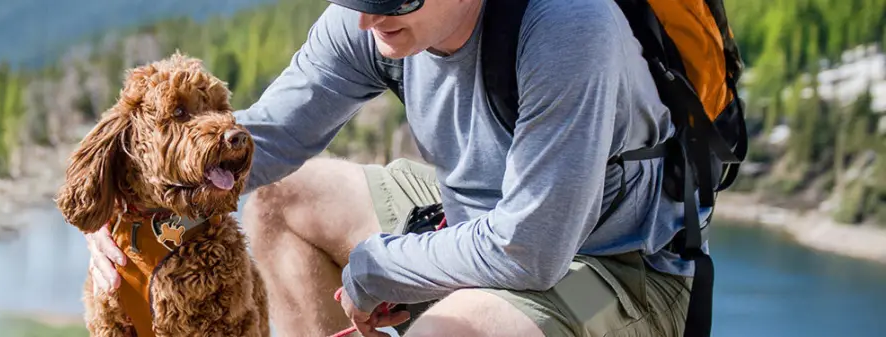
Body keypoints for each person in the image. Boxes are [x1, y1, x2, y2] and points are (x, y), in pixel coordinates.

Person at [83, 0, 701, 336]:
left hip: (610, 261)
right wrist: (121, 213)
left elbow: (528, 251)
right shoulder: (379, 18)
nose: (369, 16)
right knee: (281, 198)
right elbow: (259, 145)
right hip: (473, 217)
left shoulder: (567, 23)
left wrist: (380, 269)